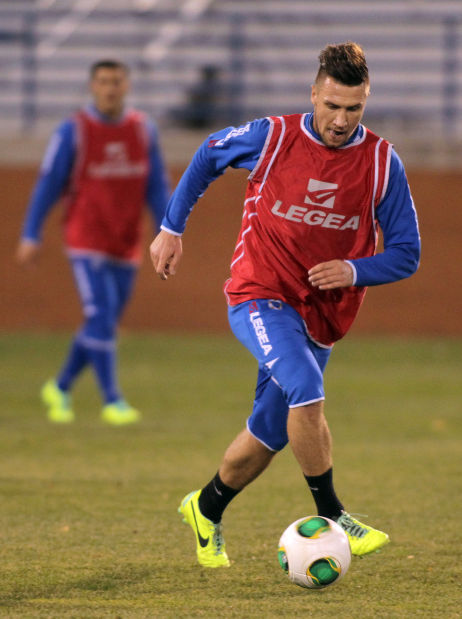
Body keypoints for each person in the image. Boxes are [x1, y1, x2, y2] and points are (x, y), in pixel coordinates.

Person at [150, 42, 420, 567]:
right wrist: (170, 229)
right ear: (314, 94)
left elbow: (407, 254)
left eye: (354, 109)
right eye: (332, 106)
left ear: (366, 102)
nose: (341, 120)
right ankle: (336, 515)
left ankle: (204, 508)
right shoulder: (272, 137)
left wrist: (354, 269)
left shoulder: (383, 163)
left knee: (269, 432)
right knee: (306, 387)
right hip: (260, 293)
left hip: (322, 316)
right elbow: (208, 153)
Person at [17, 59, 170, 425]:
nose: (110, 88)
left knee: (100, 323)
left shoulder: (143, 131)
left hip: (126, 243)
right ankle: (112, 400)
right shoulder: (74, 131)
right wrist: (30, 232)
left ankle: (61, 385)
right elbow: (49, 183)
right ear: (92, 86)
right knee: (100, 315)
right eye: (103, 81)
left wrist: (167, 230)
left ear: (127, 86)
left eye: (116, 81)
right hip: (85, 239)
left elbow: (156, 187)